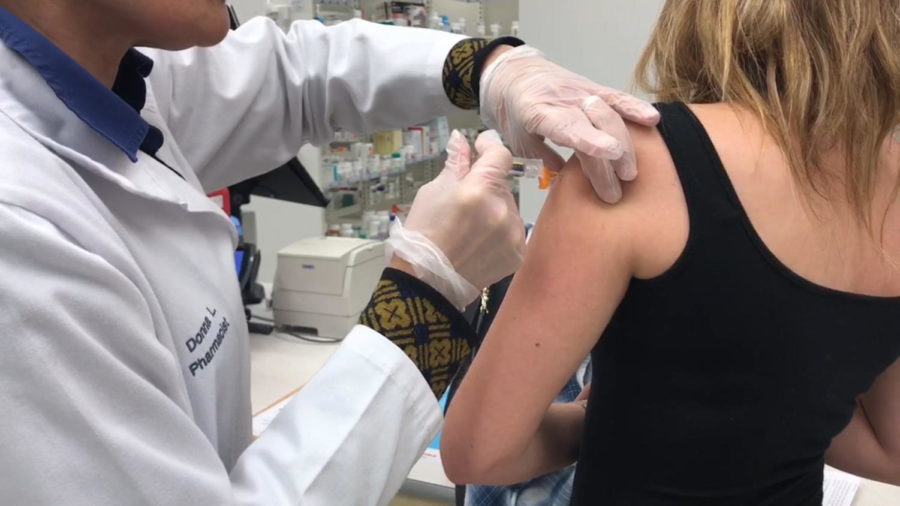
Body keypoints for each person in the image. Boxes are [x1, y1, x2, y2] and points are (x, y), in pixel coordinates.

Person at [0, 0, 662, 504]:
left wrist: (493, 67)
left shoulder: (113, 78)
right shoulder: (19, 232)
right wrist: (426, 295)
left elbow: (298, 76)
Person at [441, 1, 900, 505]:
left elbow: (477, 450)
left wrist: (592, 419)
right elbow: (889, 451)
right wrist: (783, 406)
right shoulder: (888, 187)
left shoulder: (632, 164)